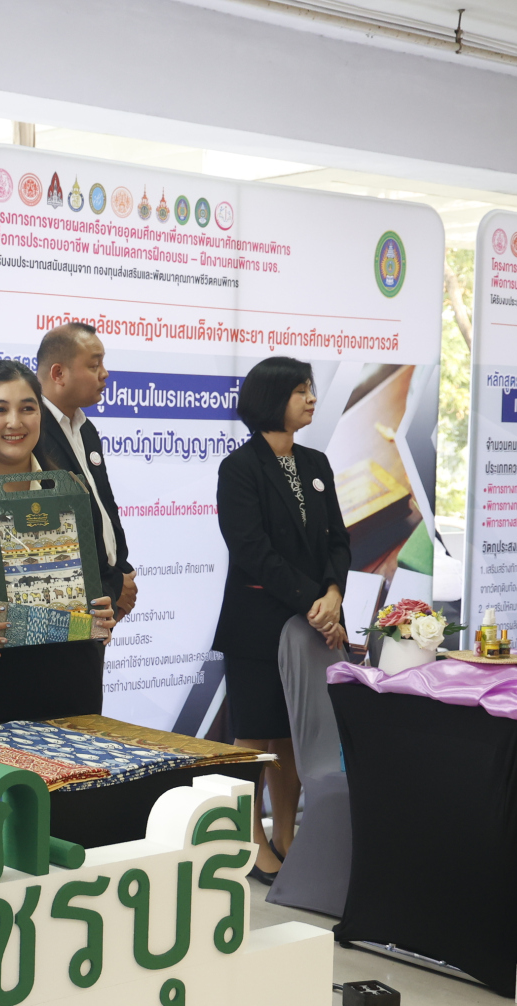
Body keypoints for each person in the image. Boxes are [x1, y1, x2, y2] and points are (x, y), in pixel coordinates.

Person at [212, 357, 349, 883]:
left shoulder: (315, 462)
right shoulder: (240, 468)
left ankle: (287, 836)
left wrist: (333, 593)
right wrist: (316, 602)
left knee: (293, 733)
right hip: (258, 625)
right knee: (254, 734)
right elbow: (252, 550)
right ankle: (249, 842)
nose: (311, 398)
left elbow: (338, 539)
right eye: (300, 391)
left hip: (313, 619)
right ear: (272, 399)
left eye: (311, 388)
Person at [0, 360, 115, 727]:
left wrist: (104, 604)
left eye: (27, 408)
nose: (15, 422)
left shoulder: (72, 489)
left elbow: (103, 573)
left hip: (71, 688)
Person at [36, 323, 137, 620]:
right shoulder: (34, 434)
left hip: (107, 595)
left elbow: (105, 506)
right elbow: (58, 534)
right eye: (94, 365)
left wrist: (122, 572)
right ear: (58, 373)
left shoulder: (86, 428)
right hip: (71, 603)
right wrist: (112, 585)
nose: (104, 374)